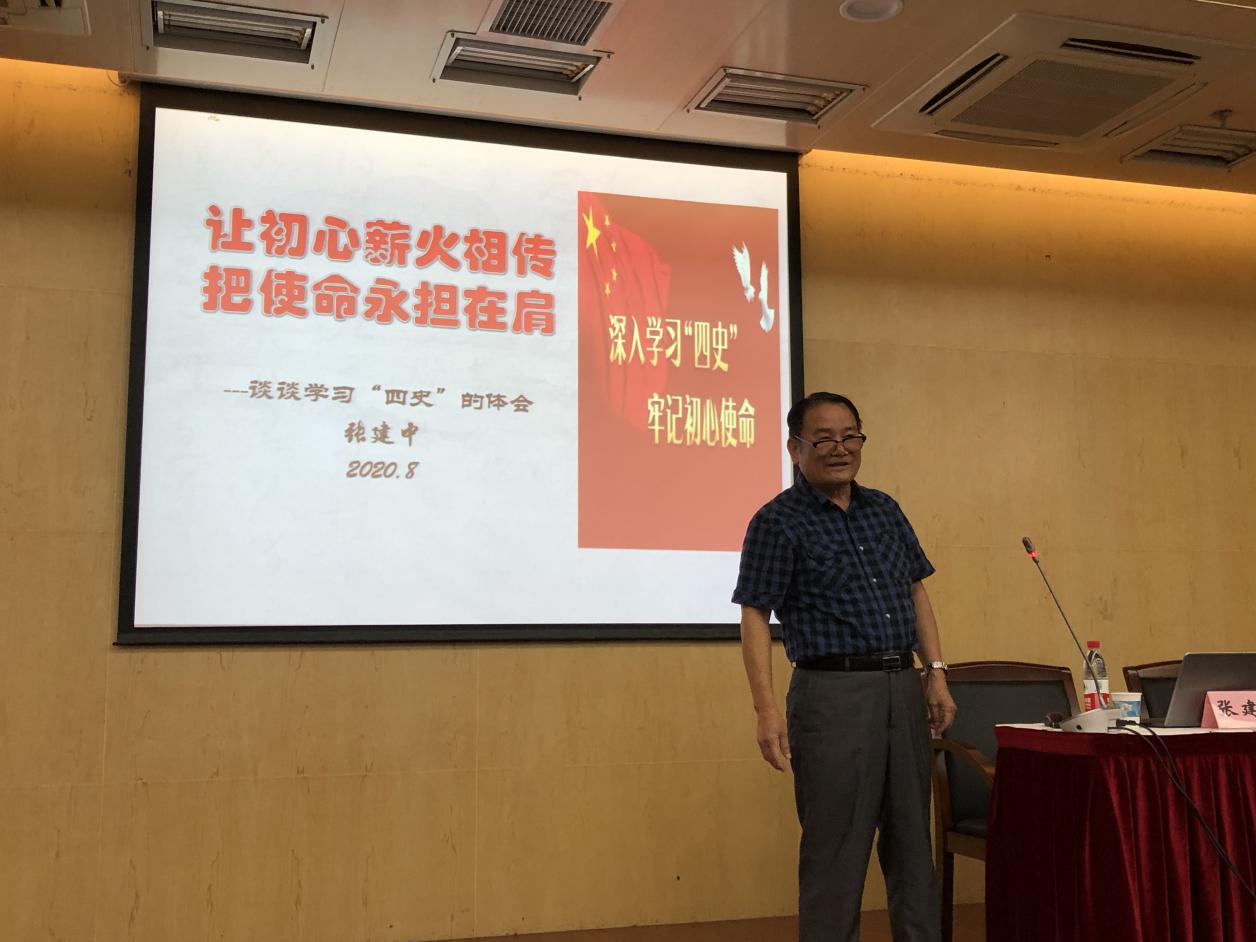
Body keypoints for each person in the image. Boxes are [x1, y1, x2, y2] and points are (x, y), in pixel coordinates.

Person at [733, 391, 956, 942]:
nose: (840, 448)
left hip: (902, 686)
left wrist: (936, 672)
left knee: (913, 842)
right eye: (824, 439)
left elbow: (916, 592)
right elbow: (755, 614)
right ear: (795, 448)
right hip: (832, 695)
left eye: (850, 436)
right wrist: (766, 710)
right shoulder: (777, 522)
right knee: (835, 849)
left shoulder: (885, 510)